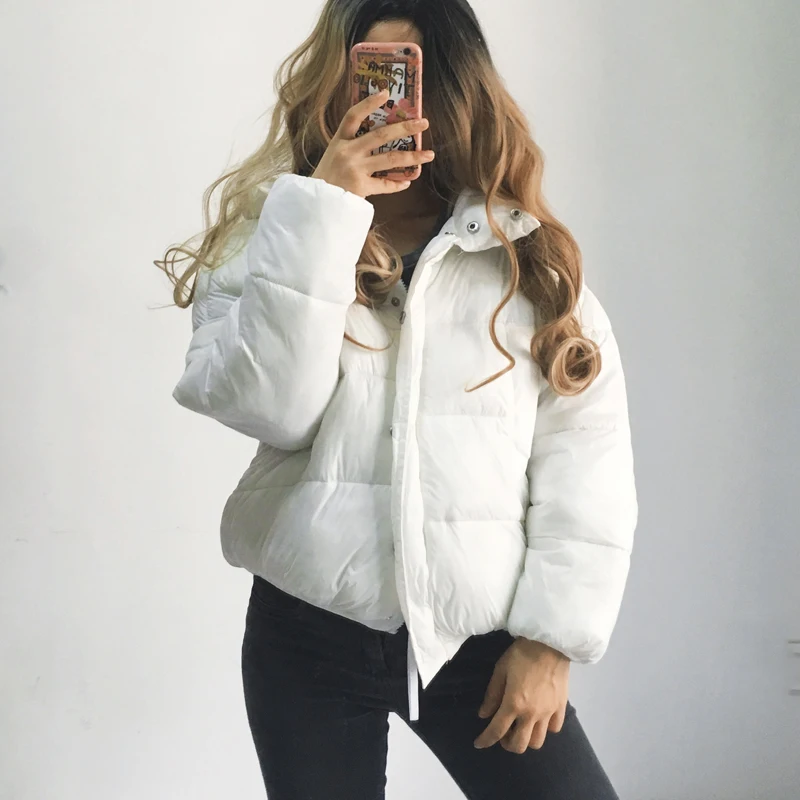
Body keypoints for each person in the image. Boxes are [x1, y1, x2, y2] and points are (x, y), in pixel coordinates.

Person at [157, 1, 638, 797]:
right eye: (370, 79)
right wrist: (323, 214)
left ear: (456, 89)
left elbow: (587, 461)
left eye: (410, 79)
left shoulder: (528, 263)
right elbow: (272, 409)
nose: (391, 105)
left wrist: (551, 641)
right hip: (307, 633)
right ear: (333, 84)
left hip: (481, 640)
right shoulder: (274, 234)